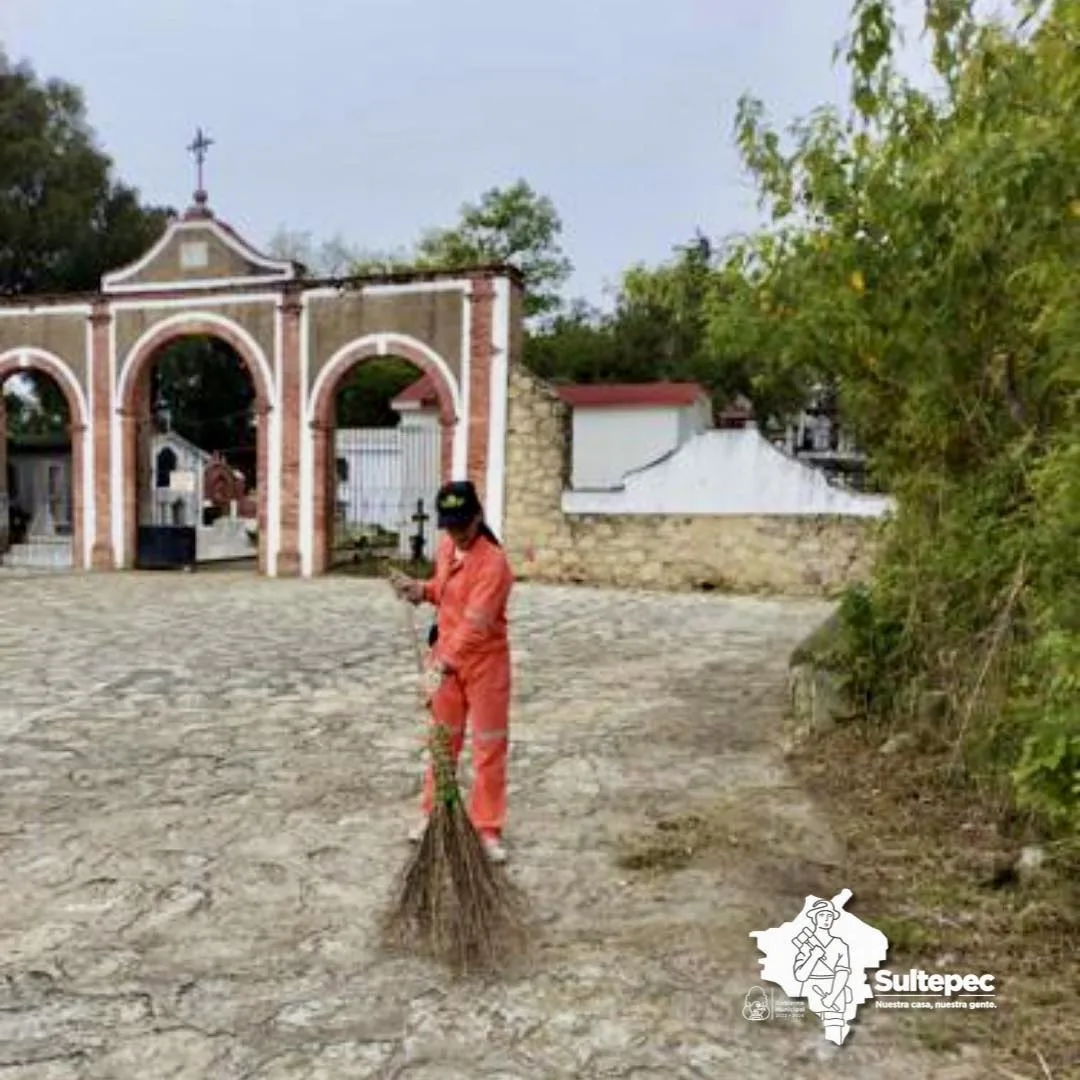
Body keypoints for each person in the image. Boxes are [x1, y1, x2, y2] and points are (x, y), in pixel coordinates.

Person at [390, 480, 515, 863]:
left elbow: (476, 628)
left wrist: (441, 666)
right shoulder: (447, 549)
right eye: (450, 526)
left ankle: (487, 828)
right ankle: (433, 815)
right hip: (445, 662)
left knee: (488, 745)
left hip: (484, 665)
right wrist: (420, 589)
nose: (457, 534)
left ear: (477, 518)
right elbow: (445, 591)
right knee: (442, 744)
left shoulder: (494, 564)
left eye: (463, 525)